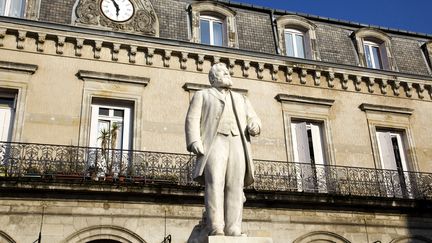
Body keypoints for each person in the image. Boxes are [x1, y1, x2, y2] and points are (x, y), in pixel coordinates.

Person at [185, 63, 261, 237]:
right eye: (223, 72)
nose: (228, 74)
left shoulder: (241, 99)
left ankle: (234, 227)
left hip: (237, 142)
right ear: (213, 78)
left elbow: (254, 117)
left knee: (235, 185)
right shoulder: (202, 95)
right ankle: (215, 226)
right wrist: (194, 140)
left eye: (228, 72)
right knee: (215, 184)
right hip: (215, 141)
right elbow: (192, 119)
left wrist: (255, 125)